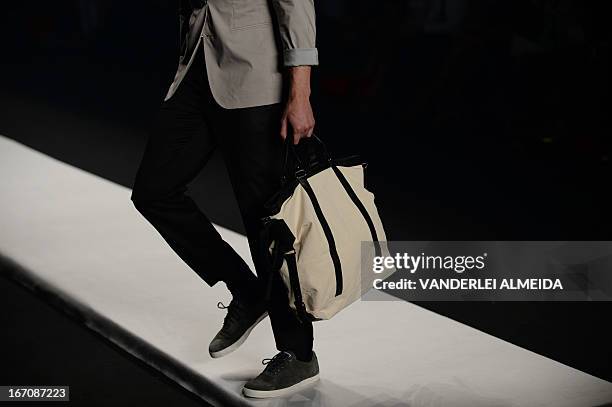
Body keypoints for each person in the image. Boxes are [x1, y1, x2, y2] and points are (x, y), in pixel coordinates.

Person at [129, 0, 319, 399]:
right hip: (196, 68)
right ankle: (247, 291)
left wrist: (300, 91)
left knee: (264, 221)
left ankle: (298, 353)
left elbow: (295, 4)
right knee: (154, 191)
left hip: (255, 77)